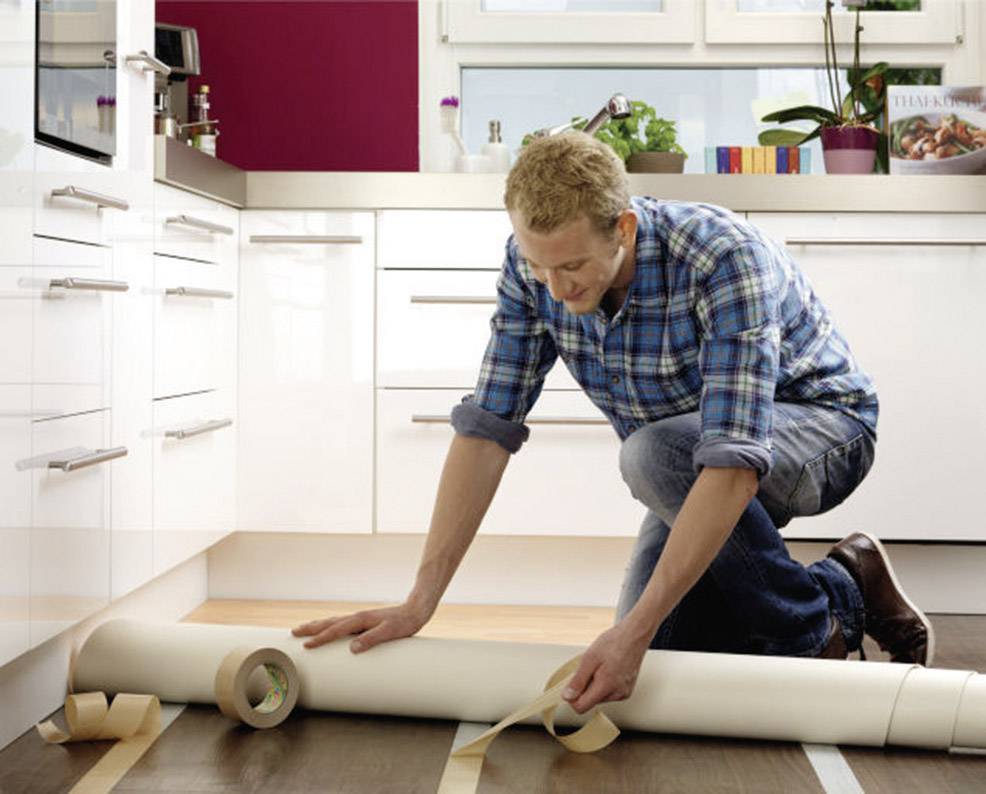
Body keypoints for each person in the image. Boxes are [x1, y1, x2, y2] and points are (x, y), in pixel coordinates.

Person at [293, 132, 933, 716]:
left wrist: (632, 633)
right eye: (539, 265)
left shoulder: (721, 257)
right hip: (685, 463)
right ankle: (848, 579)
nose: (553, 286)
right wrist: (419, 602)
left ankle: (815, 627)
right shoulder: (534, 270)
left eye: (571, 267)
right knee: (660, 668)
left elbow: (733, 461)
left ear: (623, 227)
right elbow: (487, 428)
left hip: (822, 429)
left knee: (650, 470)